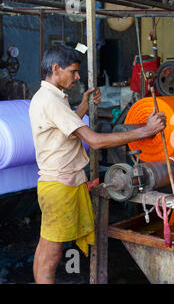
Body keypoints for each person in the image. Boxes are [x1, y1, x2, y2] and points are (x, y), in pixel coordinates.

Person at [29, 45, 166, 284]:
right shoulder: (49, 100)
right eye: (73, 72)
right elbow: (95, 140)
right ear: (55, 69)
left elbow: (65, 130)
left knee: (46, 245)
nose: (78, 77)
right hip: (59, 187)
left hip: (59, 184)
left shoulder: (51, 98)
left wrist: (83, 106)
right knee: (52, 254)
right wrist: (145, 131)